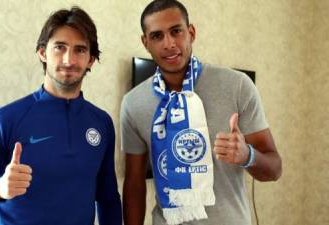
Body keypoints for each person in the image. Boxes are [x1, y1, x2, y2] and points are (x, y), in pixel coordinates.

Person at [0, 6, 122, 225]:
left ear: (91, 59)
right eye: (60, 47)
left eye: (80, 50)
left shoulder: (101, 122)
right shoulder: (6, 120)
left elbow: (108, 198)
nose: (68, 60)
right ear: (42, 52)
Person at [121, 0, 282, 225]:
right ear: (145, 42)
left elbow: (274, 169)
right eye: (157, 36)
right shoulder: (133, 103)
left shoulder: (237, 86)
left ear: (191, 32)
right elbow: (134, 183)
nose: (169, 44)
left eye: (176, 31)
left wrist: (248, 155)